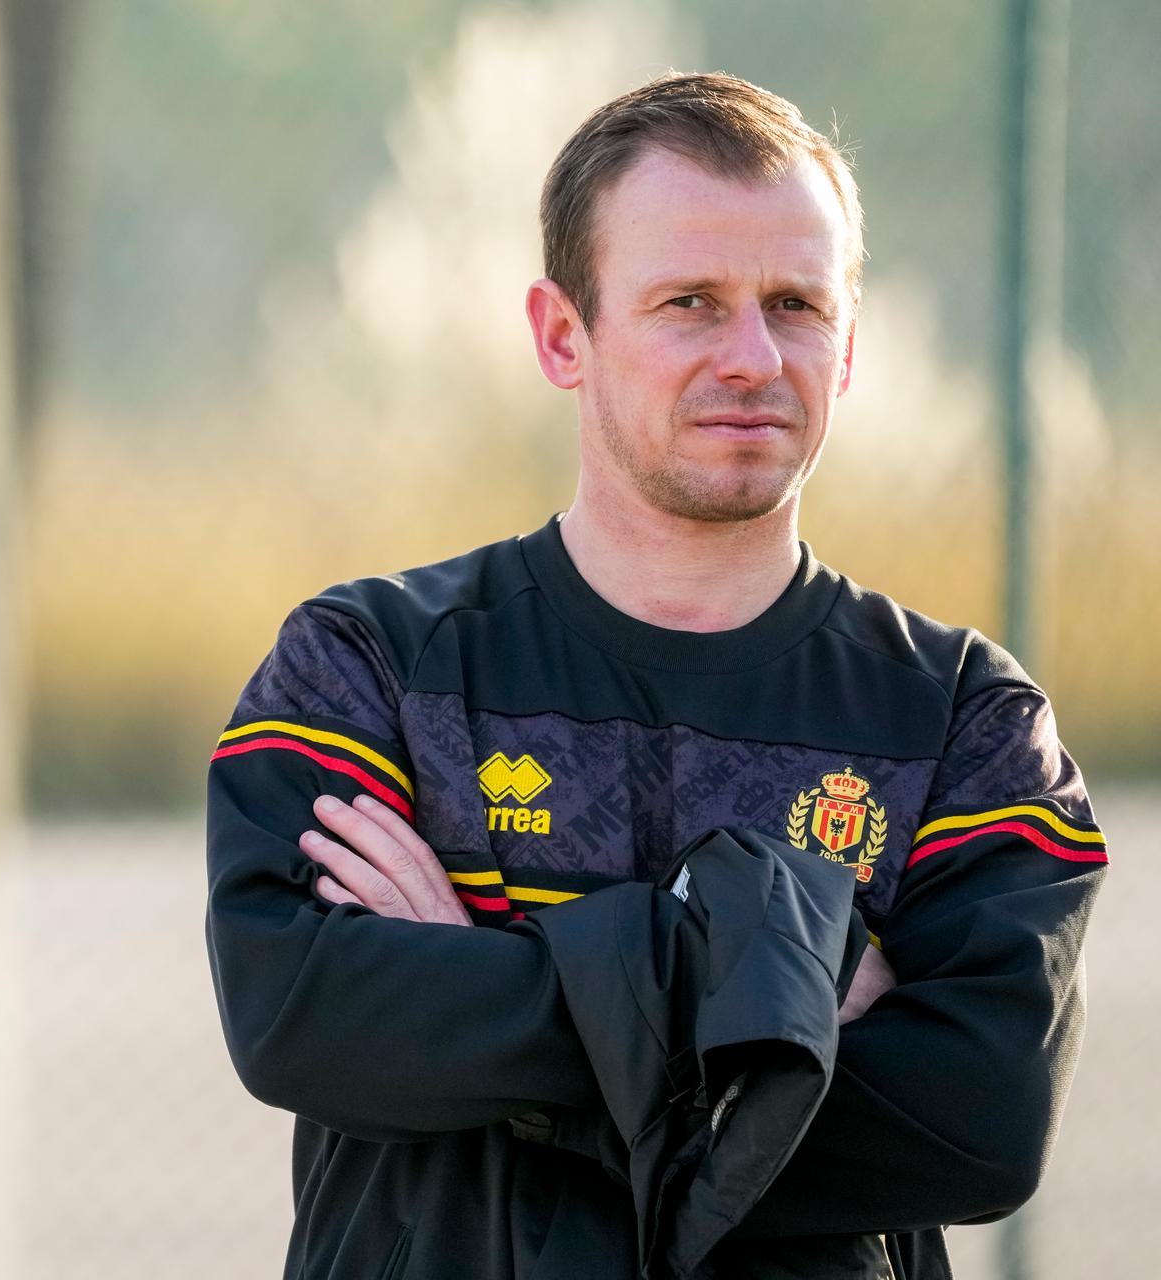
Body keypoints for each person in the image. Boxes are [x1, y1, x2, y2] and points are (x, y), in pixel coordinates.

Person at [204, 72, 1106, 1280]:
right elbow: (302, 1020)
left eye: (796, 304)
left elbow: (981, 1120)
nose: (752, 356)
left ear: (847, 349)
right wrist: (783, 1009)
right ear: (562, 333)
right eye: (690, 301)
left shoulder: (961, 720)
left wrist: (485, 990)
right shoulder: (369, 667)